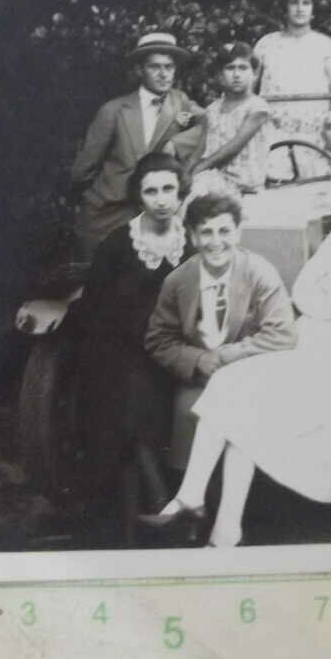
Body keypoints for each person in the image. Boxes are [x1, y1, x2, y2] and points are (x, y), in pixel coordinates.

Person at [141, 164, 331, 547]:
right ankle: (201, 505)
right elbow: (306, 290)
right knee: (232, 384)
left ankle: (219, 524)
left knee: (243, 415)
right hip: (306, 339)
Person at [73, 153, 194, 544]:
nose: (161, 199)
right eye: (151, 191)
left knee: (142, 395)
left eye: (168, 190)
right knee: (130, 393)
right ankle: (162, 502)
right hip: (115, 348)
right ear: (139, 197)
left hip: (169, 349)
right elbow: (93, 308)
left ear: (180, 193)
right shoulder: (119, 244)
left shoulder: (190, 241)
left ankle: (150, 512)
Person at [144, 192, 297, 484]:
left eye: (225, 231)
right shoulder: (177, 282)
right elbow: (158, 340)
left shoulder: (258, 271)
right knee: (188, 411)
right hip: (200, 378)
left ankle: (243, 503)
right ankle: (194, 508)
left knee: (242, 415)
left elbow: (283, 334)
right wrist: (198, 360)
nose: (216, 242)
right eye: (206, 233)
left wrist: (226, 356)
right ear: (192, 236)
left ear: (238, 232)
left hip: (249, 374)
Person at [70, 32, 203, 258]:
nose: (163, 74)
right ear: (140, 70)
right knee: (98, 282)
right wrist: (104, 194)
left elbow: (208, 122)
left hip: (155, 211)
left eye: (169, 67)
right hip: (109, 211)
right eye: (155, 67)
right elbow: (82, 171)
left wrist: (176, 144)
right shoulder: (113, 110)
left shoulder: (180, 102)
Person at [255, 0, 331, 180]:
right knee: (274, 186)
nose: (300, 8)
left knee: (315, 186)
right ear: (285, 8)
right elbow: (251, 88)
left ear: (313, 9)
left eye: (306, 3)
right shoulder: (266, 44)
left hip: (314, 135)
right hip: (272, 133)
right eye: (294, 2)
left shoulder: (325, 45)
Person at [189, 43, 272, 196]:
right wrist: (187, 171)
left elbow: (233, 147)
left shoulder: (257, 107)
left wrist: (198, 170)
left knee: (195, 189)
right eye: (230, 68)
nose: (236, 74)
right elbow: (200, 147)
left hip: (246, 186)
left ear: (254, 74)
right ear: (220, 75)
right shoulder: (213, 109)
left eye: (243, 68)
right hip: (215, 180)